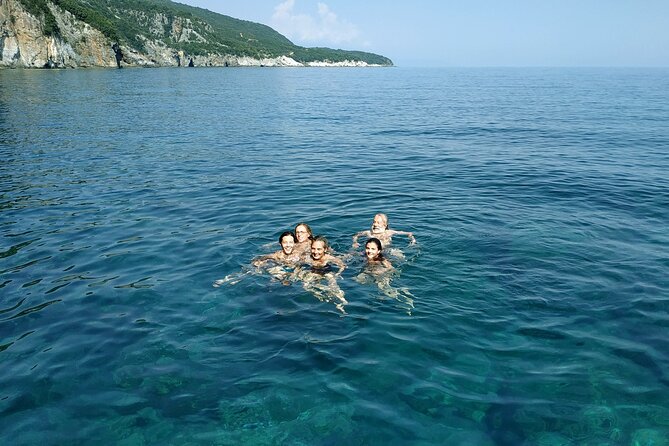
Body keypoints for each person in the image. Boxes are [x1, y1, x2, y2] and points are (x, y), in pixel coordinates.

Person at [356, 238, 415, 312]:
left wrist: (382, 273)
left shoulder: (382, 259)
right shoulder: (363, 255)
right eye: (368, 248)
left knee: (384, 288)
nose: (369, 251)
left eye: (373, 249)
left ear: (379, 251)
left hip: (381, 274)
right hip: (370, 272)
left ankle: (407, 302)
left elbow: (391, 268)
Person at [293, 235, 347, 313]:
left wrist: (338, 274)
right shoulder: (307, 257)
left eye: (319, 249)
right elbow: (298, 265)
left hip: (327, 272)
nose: (315, 252)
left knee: (333, 283)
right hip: (313, 272)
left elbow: (342, 266)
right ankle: (321, 296)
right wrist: (296, 272)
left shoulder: (329, 258)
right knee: (305, 285)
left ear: (325, 249)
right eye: (313, 249)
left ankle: (342, 301)